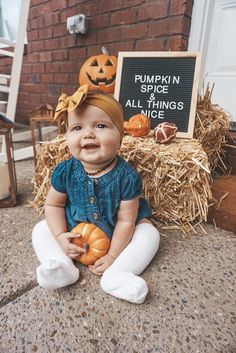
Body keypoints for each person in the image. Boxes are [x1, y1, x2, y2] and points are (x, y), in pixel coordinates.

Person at [32, 84, 160, 304]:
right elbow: (53, 206)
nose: (88, 134)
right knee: (42, 228)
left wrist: (112, 256)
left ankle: (118, 274)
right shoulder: (65, 171)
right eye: (77, 128)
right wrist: (61, 236)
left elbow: (126, 221)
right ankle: (61, 266)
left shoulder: (126, 177)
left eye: (100, 125)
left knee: (149, 234)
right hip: (77, 233)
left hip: (119, 234)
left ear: (119, 136)